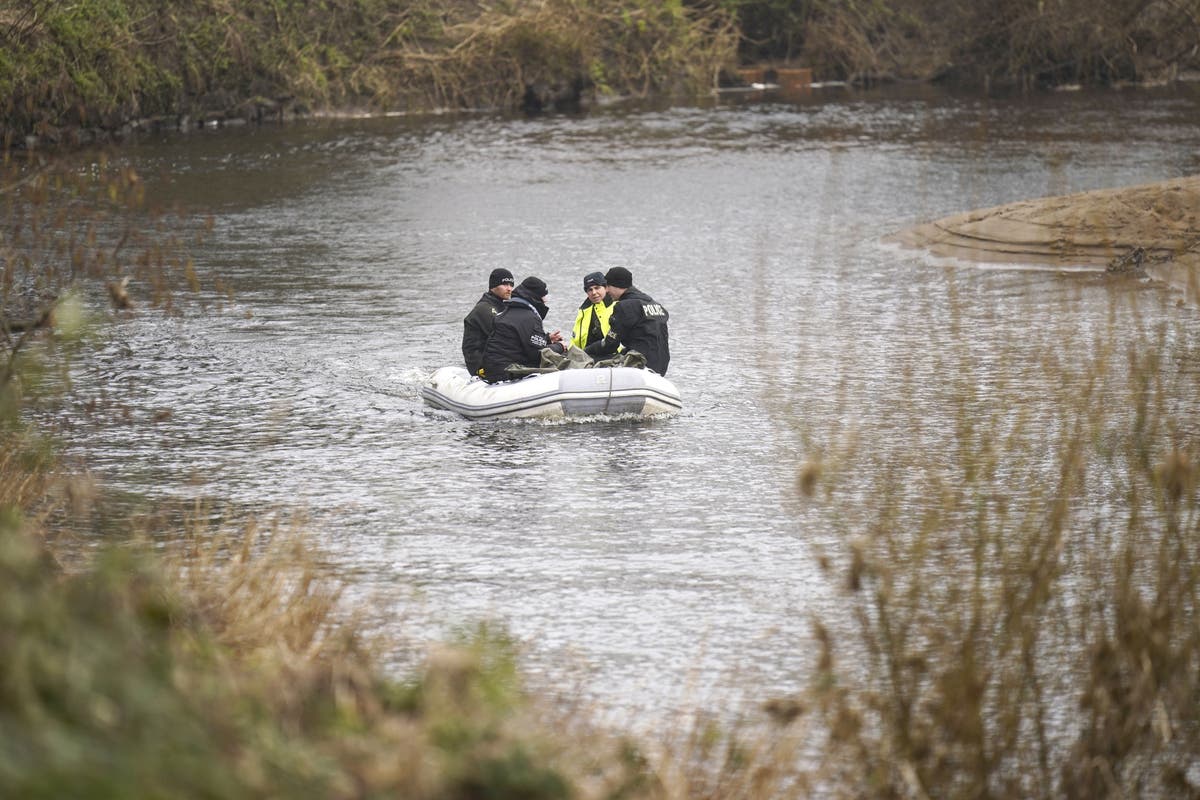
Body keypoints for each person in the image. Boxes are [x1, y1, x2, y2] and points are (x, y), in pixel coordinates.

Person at [584, 266, 670, 375]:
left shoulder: (625, 306)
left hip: (640, 364)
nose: (606, 290)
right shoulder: (655, 304)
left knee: (591, 358)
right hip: (661, 366)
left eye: (607, 286)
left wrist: (586, 351)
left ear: (616, 285)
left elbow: (610, 344)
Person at [481, 276, 566, 383]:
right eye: (544, 296)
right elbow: (537, 355)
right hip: (508, 372)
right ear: (536, 297)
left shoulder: (508, 312)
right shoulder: (530, 317)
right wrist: (560, 347)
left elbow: (518, 341)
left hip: (492, 370)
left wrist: (547, 339)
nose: (546, 300)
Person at [462, 268, 514, 377]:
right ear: (493, 286)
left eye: (511, 285)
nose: (509, 289)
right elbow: (506, 336)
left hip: (496, 358)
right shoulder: (484, 309)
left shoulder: (502, 306)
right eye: (505, 284)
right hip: (480, 365)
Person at [570, 271, 614, 350]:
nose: (594, 292)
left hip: (615, 356)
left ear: (606, 288)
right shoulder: (583, 311)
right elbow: (575, 340)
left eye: (597, 288)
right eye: (590, 290)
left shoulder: (617, 306)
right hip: (587, 356)